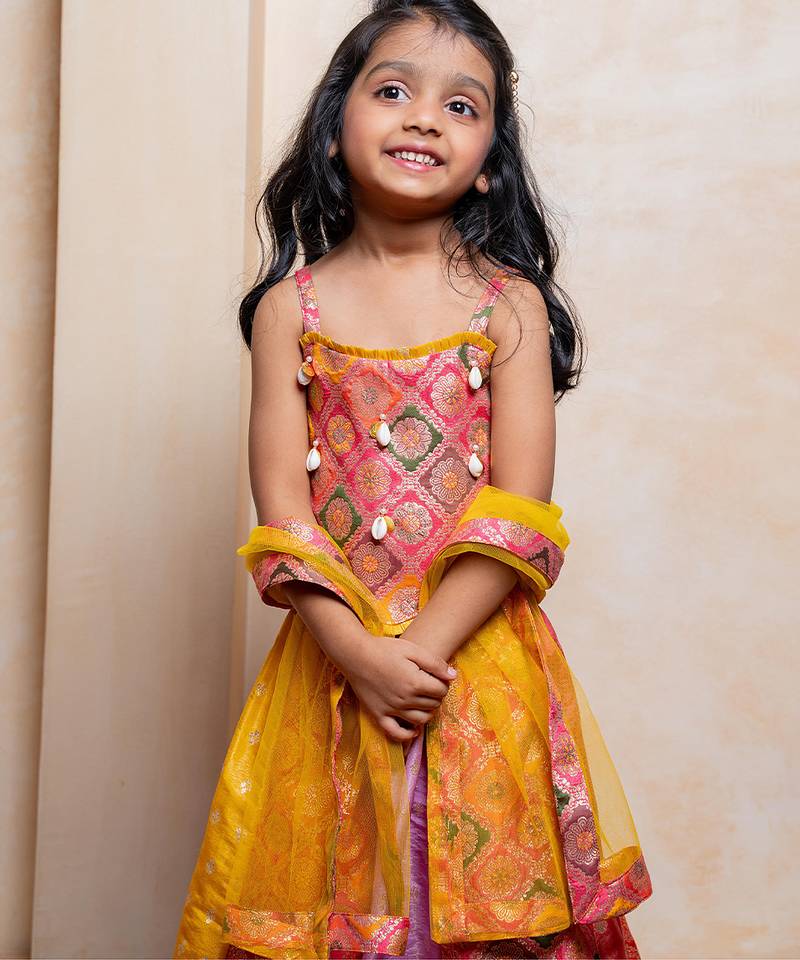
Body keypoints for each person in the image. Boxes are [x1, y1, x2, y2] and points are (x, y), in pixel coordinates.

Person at [173, 1, 653, 957]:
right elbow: (283, 516)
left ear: (491, 159)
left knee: (477, 901)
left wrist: (414, 660)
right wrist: (358, 655)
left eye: (461, 105)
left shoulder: (508, 308)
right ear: (333, 123)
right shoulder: (288, 311)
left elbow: (520, 513)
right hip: (332, 665)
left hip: (474, 665)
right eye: (393, 90)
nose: (425, 118)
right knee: (339, 902)